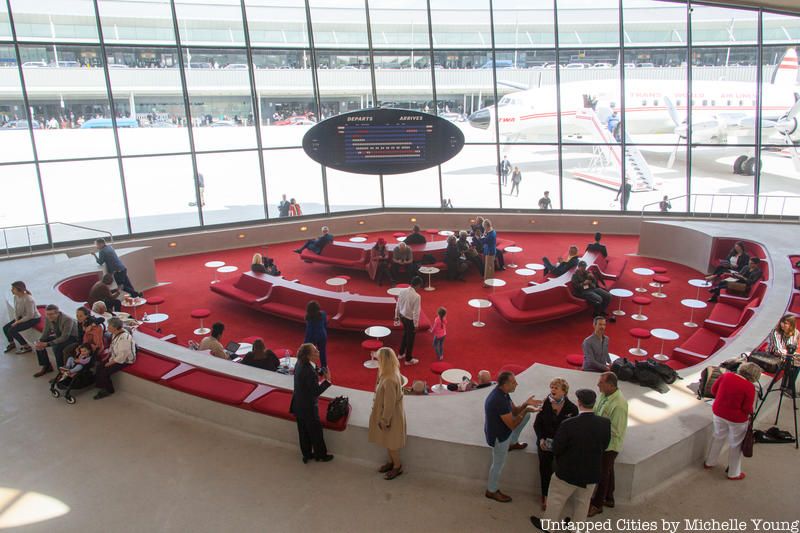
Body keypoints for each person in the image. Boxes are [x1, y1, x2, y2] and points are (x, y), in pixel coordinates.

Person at [529, 389, 611, 531]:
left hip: (567, 471)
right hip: (591, 473)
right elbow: (605, 445)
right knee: (583, 503)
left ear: (579, 403)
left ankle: (549, 527)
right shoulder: (605, 423)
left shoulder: (569, 424)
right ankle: (575, 528)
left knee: (556, 499)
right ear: (594, 403)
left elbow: (557, 447)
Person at [484, 371, 541, 503]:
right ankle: (491, 490)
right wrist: (526, 409)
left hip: (504, 429)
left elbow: (515, 411)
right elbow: (512, 425)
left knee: (525, 415)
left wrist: (526, 404)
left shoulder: (503, 393)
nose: (517, 384)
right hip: (499, 437)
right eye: (513, 382)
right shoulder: (498, 400)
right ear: (505, 384)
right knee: (498, 464)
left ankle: (512, 443)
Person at [703, 362, 761, 480]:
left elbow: (714, 391)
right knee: (736, 444)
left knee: (718, 437)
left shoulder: (726, 376)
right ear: (755, 377)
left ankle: (710, 462)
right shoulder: (749, 387)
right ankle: (733, 473)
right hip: (737, 419)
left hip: (719, 413)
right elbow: (746, 408)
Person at [533, 378, 579, 511]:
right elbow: (537, 425)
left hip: (562, 445)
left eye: (556, 388)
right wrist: (541, 439)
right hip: (545, 444)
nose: (552, 390)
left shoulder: (572, 408)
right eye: (551, 387)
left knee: (560, 470)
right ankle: (545, 496)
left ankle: (558, 498)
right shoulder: (545, 403)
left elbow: (573, 430)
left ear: (564, 391)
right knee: (545, 468)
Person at [589, 372, 629, 516]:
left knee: (602, 473)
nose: (598, 385)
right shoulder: (603, 394)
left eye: (601, 383)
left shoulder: (619, 405)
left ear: (611, 386)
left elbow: (616, 431)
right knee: (608, 469)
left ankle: (597, 504)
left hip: (609, 445)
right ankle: (609, 498)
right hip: (601, 440)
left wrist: (595, 430)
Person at [289, 343, 333, 463]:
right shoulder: (308, 371)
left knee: (302, 431)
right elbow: (315, 391)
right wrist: (327, 380)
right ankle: (321, 455)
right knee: (316, 432)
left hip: (298, 404)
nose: (318, 352)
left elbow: (312, 370)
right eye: (315, 351)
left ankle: (307, 454)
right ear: (308, 356)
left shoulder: (300, 363)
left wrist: (319, 372)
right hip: (308, 407)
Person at [368, 347, 407, 480]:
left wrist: (385, 420)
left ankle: (397, 466)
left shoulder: (389, 379)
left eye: (379, 359)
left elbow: (389, 404)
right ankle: (391, 463)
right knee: (388, 441)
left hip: (391, 417)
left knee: (392, 444)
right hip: (391, 414)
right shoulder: (390, 372)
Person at [94, 317, 136, 400]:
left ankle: (108, 390)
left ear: (115, 327)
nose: (108, 327)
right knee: (99, 366)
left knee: (105, 371)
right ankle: (100, 384)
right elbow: (113, 346)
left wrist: (109, 363)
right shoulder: (115, 333)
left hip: (125, 360)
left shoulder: (124, 338)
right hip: (116, 356)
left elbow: (122, 356)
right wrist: (107, 356)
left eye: (109, 326)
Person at [33, 304, 78, 378]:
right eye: (47, 314)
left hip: (72, 338)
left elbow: (65, 337)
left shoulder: (67, 319)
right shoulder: (48, 318)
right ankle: (46, 366)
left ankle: (60, 373)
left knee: (56, 347)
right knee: (39, 344)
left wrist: (47, 344)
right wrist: (40, 341)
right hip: (59, 335)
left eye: (51, 314)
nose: (49, 316)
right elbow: (46, 331)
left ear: (57, 313)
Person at [3, 281, 40, 354]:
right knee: (5, 328)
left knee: (12, 330)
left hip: (33, 319)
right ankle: (12, 343)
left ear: (19, 289)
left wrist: (17, 322)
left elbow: (30, 315)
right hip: (22, 317)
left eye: (13, 288)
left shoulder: (28, 299)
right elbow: (16, 310)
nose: (11, 290)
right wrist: (16, 320)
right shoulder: (16, 297)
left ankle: (26, 347)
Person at [395, 277, 422, 366]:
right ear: (418, 285)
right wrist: (416, 324)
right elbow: (416, 312)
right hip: (410, 320)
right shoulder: (417, 296)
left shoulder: (402, 291)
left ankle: (401, 353)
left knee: (405, 334)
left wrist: (396, 317)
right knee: (410, 339)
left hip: (402, 317)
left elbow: (398, 305)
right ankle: (408, 359)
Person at [766, 314, 800, 386]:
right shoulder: (775, 332)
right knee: (793, 363)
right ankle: (787, 386)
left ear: (791, 325)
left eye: (786, 323)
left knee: (797, 364)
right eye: (782, 322)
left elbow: (794, 347)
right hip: (774, 355)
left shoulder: (796, 333)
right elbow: (778, 349)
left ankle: (789, 386)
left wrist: (794, 355)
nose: (782, 324)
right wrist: (791, 355)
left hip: (788, 355)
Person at [304, 300, 328, 369]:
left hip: (312, 336)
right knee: (322, 351)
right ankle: (324, 367)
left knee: (309, 352)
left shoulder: (308, 317)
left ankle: (310, 366)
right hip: (323, 335)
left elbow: (309, 331)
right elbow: (325, 324)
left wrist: (304, 344)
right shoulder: (323, 314)